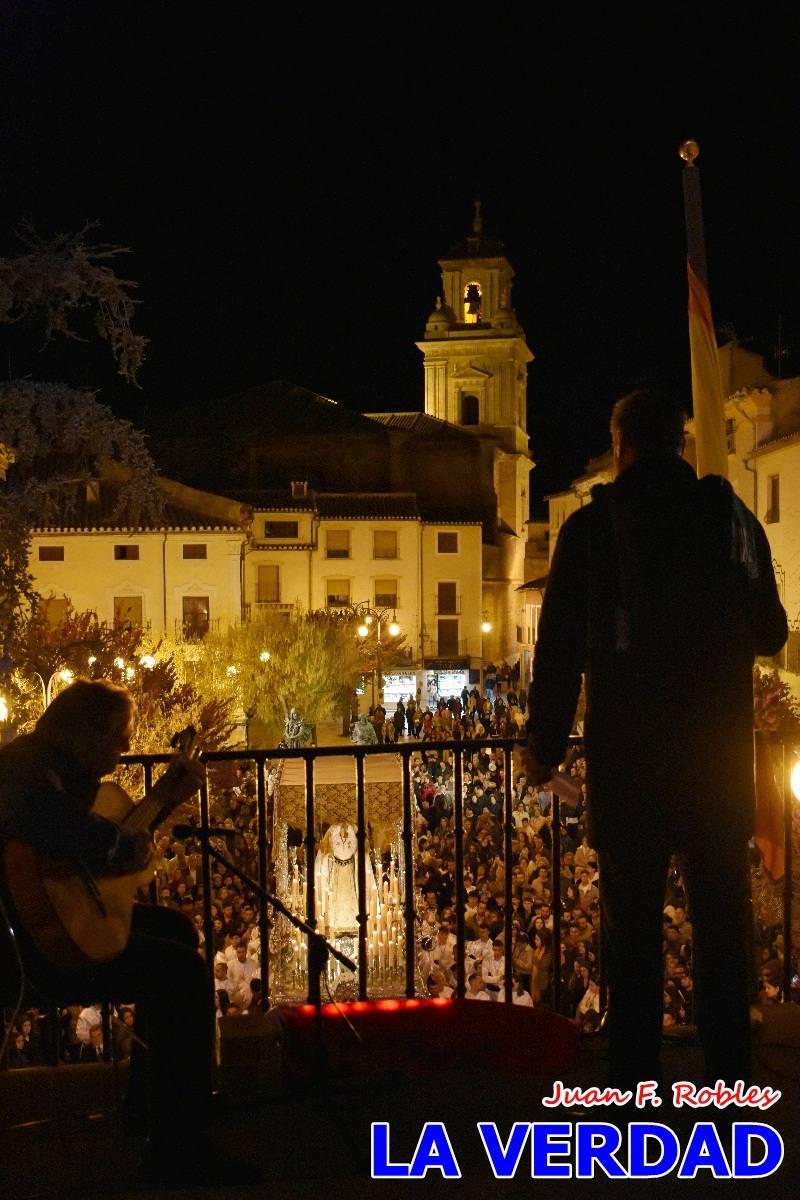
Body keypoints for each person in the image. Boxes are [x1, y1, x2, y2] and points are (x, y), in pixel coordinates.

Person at [516, 387, 787, 1090]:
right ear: (683, 443)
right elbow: (773, 633)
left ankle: (636, 1088)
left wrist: (542, 746)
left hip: (629, 764)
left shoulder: (591, 528)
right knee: (722, 932)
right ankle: (732, 1085)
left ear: (619, 444)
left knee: (630, 941)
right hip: (717, 765)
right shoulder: (731, 519)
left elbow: (557, 653)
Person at [0, 678, 261, 1186]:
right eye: (119, 736)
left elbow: (67, 839)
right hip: (30, 950)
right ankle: (177, 1147)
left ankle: (152, 1104)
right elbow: (56, 824)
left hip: (35, 928)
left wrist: (140, 823)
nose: (124, 749)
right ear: (84, 733)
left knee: (177, 928)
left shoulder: (41, 764)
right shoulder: (29, 772)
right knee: (180, 970)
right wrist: (124, 847)